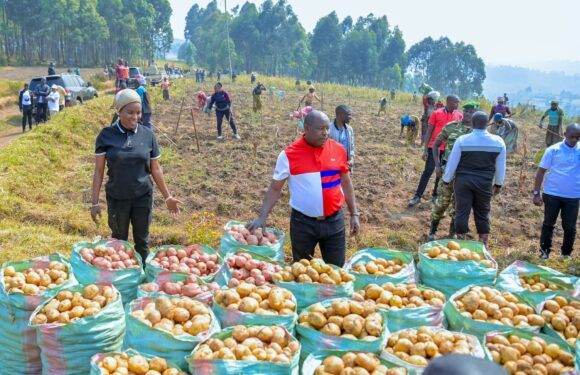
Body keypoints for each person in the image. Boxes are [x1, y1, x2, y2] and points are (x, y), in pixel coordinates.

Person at [247, 110, 360, 267]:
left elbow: (346, 182)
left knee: (336, 269)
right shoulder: (289, 155)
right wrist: (262, 216)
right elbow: (274, 189)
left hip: (334, 222)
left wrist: (354, 213)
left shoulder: (338, 150)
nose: (326, 133)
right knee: (301, 269)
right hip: (303, 224)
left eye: (327, 128)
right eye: (320, 129)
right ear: (306, 128)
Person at [90, 89, 181, 264]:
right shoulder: (106, 136)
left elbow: (155, 169)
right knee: (119, 241)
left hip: (142, 197)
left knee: (143, 241)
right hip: (117, 198)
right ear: (119, 111)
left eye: (138, 113)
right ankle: (122, 278)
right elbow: (99, 171)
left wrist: (167, 196)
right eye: (129, 112)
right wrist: (95, 202)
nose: (135, 117)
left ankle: (144, 277)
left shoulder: (148, 135)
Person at [442, 111, 506, 244]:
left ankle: (460, 242)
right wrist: (498, 184)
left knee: (462, 210)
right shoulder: (498, 142)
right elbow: (501, 166)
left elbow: (452, 163)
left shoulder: (463, 140)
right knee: (483, 211)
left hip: (463, 181)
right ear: (487, 123)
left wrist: (446, 180)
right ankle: (483, 243)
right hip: (485, 182)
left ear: (472, 123)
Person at [428, 102, 478, 240]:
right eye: (466, 111)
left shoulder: (477, 133)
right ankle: (432, 231)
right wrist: (437, 166)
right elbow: (436, 144)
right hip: (447, 173)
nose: (468, 114)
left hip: (465, 176)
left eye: (472, 112)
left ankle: (452, 233)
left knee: (459, 206)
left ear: (476, 114)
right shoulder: (451, 127)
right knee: (441, 203)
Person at [533, 123, 580, 260]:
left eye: (578, 138)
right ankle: (544, 251)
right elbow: (541, 172)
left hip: (573, 195)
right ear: (565, 135)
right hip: (552, 193)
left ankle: (566, 254)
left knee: (570, 227)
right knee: (548, 223)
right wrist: (536, 193)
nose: (574, 140)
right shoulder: (554, 150)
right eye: (572, 137)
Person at [408, 95, 462, 207]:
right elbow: (429, 132)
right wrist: (425, 150)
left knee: (441, 173)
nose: (457, 105)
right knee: (428, 171)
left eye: (458, 103)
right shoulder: (436, 113)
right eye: (455, 102)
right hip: (434, 147)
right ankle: (417, 196)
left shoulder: (459, 116)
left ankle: (435, 196)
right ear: (449, 102)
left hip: (448, 150)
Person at [329, 105, 355, 169]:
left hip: (347, 165)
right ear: (341, 115)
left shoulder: (349, 129)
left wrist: (351, 159)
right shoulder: (329, 129)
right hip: (333, 166)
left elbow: (352, 146)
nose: (350, 118)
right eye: (348, 115)